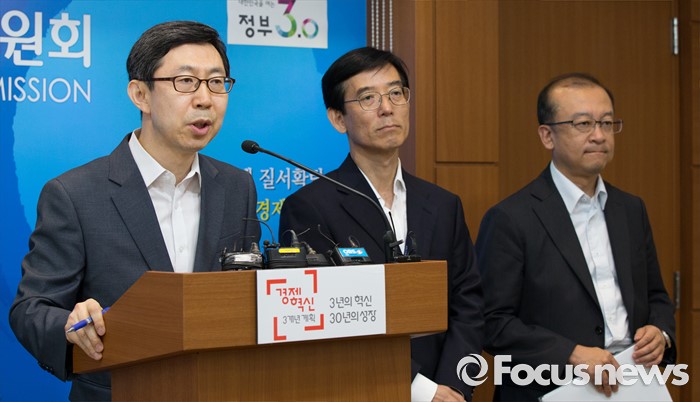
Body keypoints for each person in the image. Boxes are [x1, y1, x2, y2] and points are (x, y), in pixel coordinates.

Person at [9, 21, 260, 401]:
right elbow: (32, 308)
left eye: (216, 82)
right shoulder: (74, 194)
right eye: (186, 82)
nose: (205, 99)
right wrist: (70, 325)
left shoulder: (237, 186)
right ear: (140, 94)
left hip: (219, 388)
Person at [279, 47, 484, 402]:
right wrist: (421, 390)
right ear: (338, 119)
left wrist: (454, 385)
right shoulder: (310, 208)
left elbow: (469, 303)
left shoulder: (443, 204)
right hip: (355, 390)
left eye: (395, 93)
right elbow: (321, 319)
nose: (387, 108)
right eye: (368, 98)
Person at [475, 72, 676, 401]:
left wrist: (661, 332)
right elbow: (490, 322)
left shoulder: (630, 209)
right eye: (583, 124)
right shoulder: (511, 218)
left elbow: (657, 297)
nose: (599, 135)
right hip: (552, 388)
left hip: (633, 385)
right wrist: (571, 353)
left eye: (607, 123)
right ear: (547, 136)